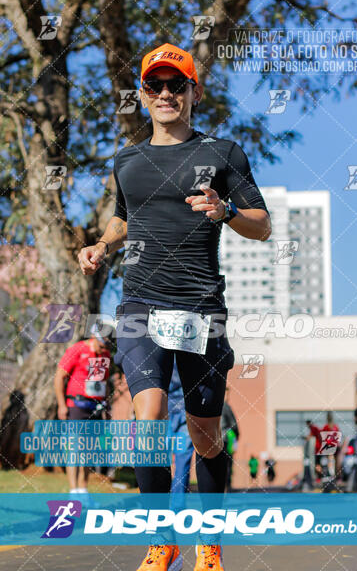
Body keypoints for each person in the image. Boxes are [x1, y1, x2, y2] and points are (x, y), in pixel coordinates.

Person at [77, 42, 271, 571]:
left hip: (201, 308)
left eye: (176, 85)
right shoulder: (127, 161)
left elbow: (263, 224)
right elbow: (123, 218)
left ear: (193, 93)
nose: (165, 93)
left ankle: (209, 540)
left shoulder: (224, 153)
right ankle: (161, 539)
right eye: (155, 85)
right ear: (142, 95)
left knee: (205, 436)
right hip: (140, 302)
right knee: (148, 418)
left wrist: (226, 209)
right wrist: (102, 244)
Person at [54, 324, 111, 495]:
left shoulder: (105, 354)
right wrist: (62, 405)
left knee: (89, 449)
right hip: (76, 406)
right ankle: (73, 491)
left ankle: (83, 490)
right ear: (94, 337)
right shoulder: (77, 349)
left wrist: (107, 406)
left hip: (94, 407)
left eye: (107, 345)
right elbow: (59, 377)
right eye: (102, 344)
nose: (104, 348)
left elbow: (104, 383)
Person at [168, 360, 194, 495]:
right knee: (183, 460)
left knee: (159, 456)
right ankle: (177, 504)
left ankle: (158, 504)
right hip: (186, 408)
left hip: (163, 408)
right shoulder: (192, 346)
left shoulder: (159, 345)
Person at [221, 386, 240, 492]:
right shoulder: (226, 406)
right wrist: (236, 437)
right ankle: (227, 488)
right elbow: (234, 425)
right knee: (227, 465)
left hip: (212, 439)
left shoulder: (209, 404)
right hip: (226, 439)